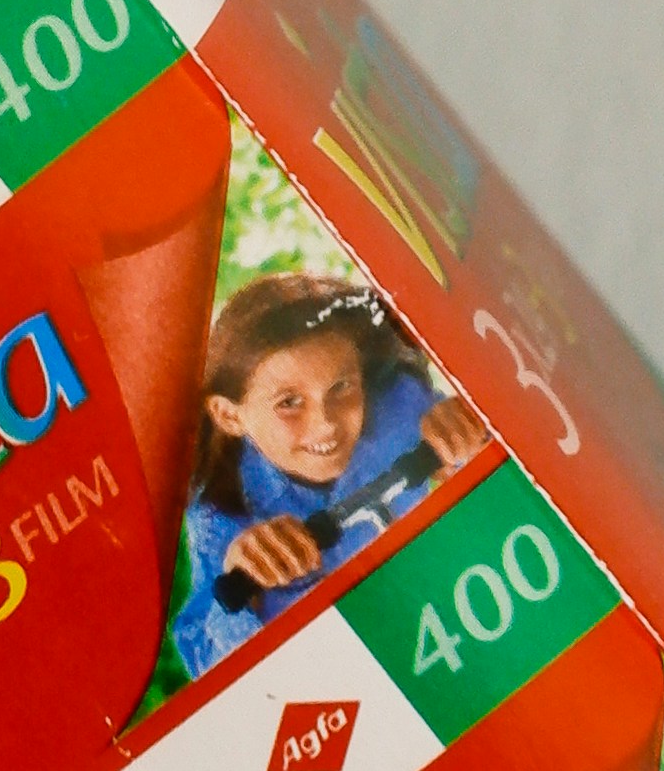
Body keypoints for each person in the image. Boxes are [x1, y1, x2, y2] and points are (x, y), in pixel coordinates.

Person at [163, 272, 462, 692]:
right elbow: (204, 661)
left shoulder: (400, 408)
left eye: (341, 387)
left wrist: (464, 434)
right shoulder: (223, 513)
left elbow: (472, 448)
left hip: (443, 618)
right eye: (289, 403)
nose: (325, 425)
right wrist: (237, 591)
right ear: (231, 416)